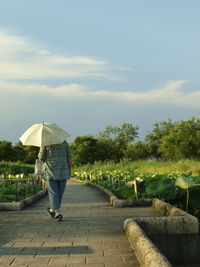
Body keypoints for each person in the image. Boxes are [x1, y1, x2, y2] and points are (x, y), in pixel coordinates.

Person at [38, 140, 71, 222]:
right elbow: (69, 157)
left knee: (53, 193)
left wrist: (42, 147)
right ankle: (53, 210)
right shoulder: (64, 142)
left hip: (50, 172)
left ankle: (57, 213)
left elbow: (41, 158)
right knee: (59, 193)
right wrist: (69, 169)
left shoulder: (45, 143)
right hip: (63, 171)